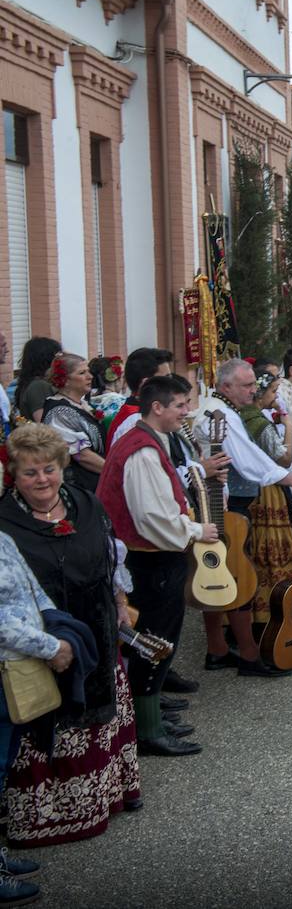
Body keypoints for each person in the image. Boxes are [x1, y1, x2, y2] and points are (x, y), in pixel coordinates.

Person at [0, 424, 140, 848]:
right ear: (14, 476)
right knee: (45, 718)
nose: (42, 480)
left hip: (93, 626)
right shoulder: (4, 521)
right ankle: (45, 819)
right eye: (29, 473)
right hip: (38, 639)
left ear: (62, 467)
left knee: (97, 712)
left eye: (49, 469)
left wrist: (120, 606)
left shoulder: (85, 502)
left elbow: (110, 556)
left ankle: (102, 798)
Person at [96, 375, 215, 757]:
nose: (187, 411)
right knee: (153, 642)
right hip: (149, 560)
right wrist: (198, 530)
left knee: (158, 639)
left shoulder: (151, 440)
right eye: (180, 405)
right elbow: (152, 517)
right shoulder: (142, 451)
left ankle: (150, 716)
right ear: (157, 407)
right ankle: (146, 730)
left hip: (153, 557)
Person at [194, 360, 292, 678]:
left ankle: (218, 649)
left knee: (224, 575)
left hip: (230, 503)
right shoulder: (219, 414)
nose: (252, 390)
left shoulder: (224, 409)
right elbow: (250, 461)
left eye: (252, 384)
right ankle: (247, 654)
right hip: (226, 507)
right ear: (225, 386)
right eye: (246, 385)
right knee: (237, 577)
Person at [0, 533, 73, 901]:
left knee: (4, 766)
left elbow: (34, 590)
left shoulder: (2, 538)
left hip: (19, 667)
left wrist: (58, 625)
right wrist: (51, 647)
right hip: (6, 667)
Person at [238, 371, 292, 629]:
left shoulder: (249, 417)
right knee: (273, 550)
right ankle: (268, 613)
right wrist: (289, 427)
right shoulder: (257, 422)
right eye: (273, 391)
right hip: (268, 491)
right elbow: (284, 458)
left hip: (264, 487)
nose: (276, 396)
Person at [39, 354, 105, 493]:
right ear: (66, 380)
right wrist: (114, 471)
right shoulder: (59, 412)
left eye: (88, 371)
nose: (90, 376)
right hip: (82, 486)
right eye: (82, 373)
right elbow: (82, 456)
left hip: (97, 481)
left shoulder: (80, 404)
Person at [13, 337, 61, 424]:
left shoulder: (32, 383)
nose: (60, 361)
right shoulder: (38, 386)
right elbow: (45, 423)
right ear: (47, 359)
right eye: (57, 356)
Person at [86, 356, 127, 435]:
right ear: (114, 378)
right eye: (123, 377)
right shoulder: (121, 402)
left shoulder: (84, 400)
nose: (124, 381)